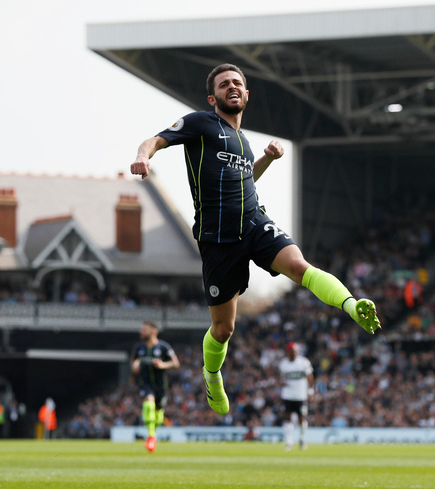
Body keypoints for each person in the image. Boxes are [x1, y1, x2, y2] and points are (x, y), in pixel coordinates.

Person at [130, 63, 381, 417]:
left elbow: (245, 180)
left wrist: (264, 158)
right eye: (224, 84)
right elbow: (154, 140)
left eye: (237, 83)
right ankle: (212, 374)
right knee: (223, 328)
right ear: (212, 97)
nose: (232, 87)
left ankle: (353, 306)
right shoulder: (201, 123)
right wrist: (143, 157)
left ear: (247, 95)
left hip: (254, 222)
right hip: (217, 238)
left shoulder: (245, 144)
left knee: (299, 266)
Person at [130, 320, 180, 452]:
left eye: (144, 329)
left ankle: (154, 431)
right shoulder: (138, 348)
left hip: (161, 386)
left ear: (153, 331)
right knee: (148, 403)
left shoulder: (163, 347)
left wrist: (163, 365)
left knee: (158, 415)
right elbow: (133, 364)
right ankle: (151, 437)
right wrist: (135, 365)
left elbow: (175, 363)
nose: (141, 332)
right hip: (145, 384)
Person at [278, 342, 314, 450]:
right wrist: (281, 382)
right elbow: (281, 378)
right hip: (287, 395)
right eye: (292, 351)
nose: (294, 353)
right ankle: (289, 442)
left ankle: (302, 440)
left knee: (302, 418)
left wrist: (311, 391)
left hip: (300, 395)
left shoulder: (303, 362)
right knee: (287, 418)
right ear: (287, 352)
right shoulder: (283, 363)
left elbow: (310, 377)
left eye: (295, 351)